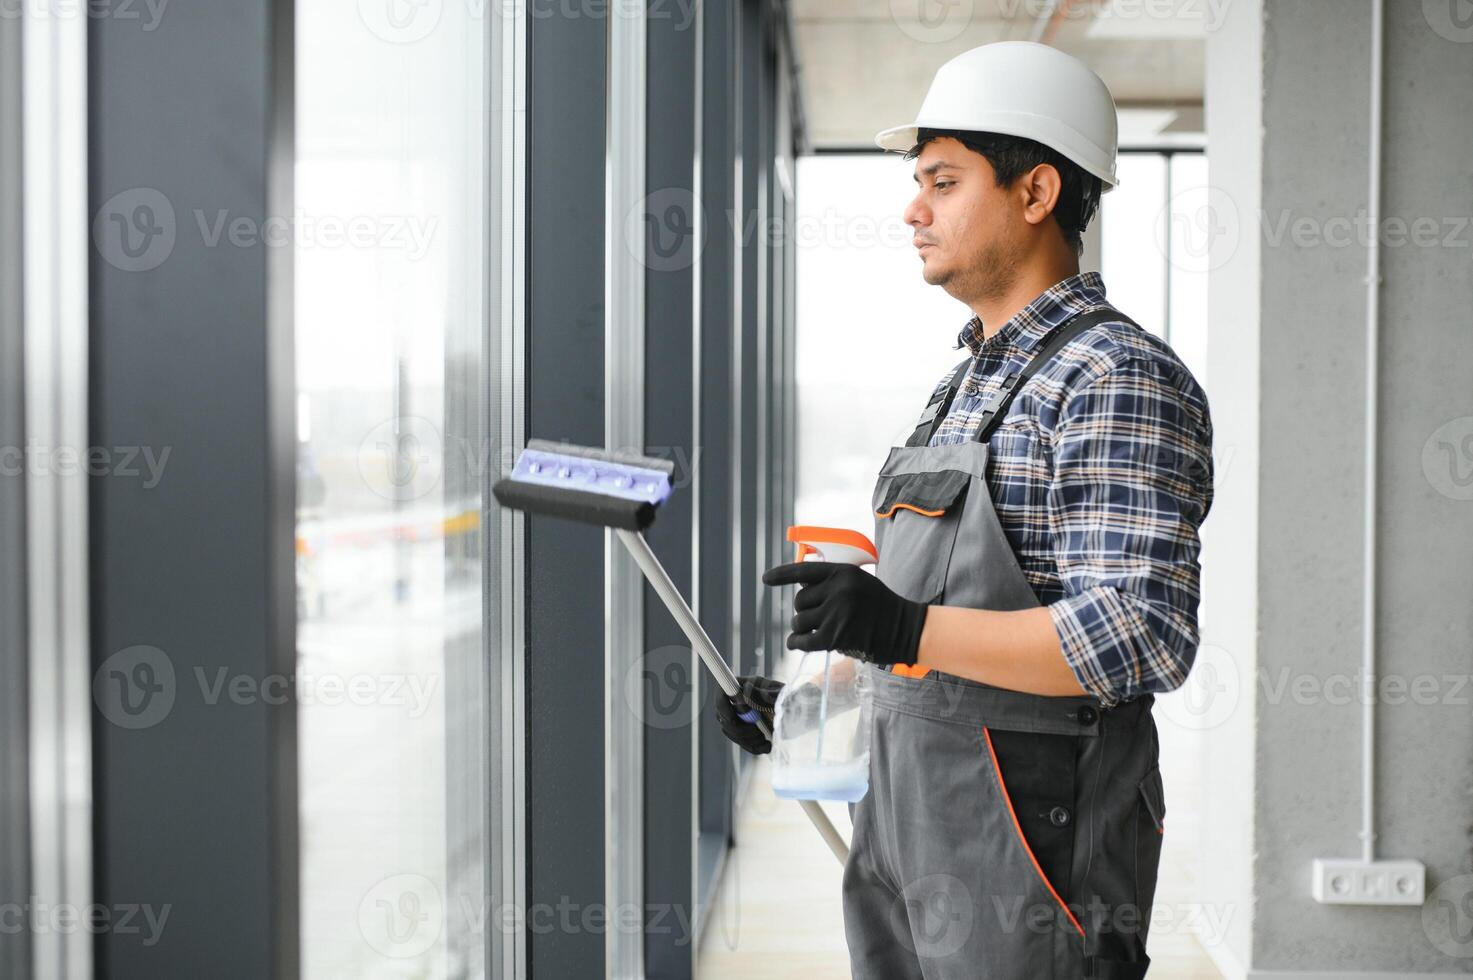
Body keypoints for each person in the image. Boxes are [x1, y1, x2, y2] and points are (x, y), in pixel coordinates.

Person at [714, 41, 1214, 980]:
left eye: (943, 182)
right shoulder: (966, 383)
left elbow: (1139, 634)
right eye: (918, 183)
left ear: (1035, 193)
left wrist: (898, 623)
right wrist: (818, 710)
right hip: (911, 831)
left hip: (1030, 855)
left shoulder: (1112, 376)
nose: (912, 208)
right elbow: (948, 638)